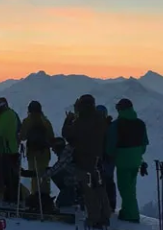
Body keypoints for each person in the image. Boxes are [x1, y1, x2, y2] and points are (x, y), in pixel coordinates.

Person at [61, 94, 111, 228]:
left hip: (84, 160)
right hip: (98, 159)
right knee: (100, 188)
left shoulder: (81, 121)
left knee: (89, 190)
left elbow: (66, 133)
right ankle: (105, 216)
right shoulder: (100, 119)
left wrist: (68, 120)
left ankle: (94, 219)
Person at [106, 99, 149, 223]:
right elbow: (144, 143)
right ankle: (126, 211)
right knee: (131, 187)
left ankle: (131, 215)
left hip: (123, 159)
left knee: (124, 188)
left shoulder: (116, 125)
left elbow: (111, 144)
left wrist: (110, 154)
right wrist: (138, 154)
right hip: (136, 159)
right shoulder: (140, 123)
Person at [20, 101, 57, 211]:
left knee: (34, 175)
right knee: (44, 175)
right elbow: (51, 138)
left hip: (32, 153)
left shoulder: (27, 121)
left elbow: (22, 137)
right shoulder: (45, 121)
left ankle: (35, 198)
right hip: (44, 153)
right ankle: (45, 198)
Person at [0, 97, 21, 203]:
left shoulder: (6, 116)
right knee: (11, 177)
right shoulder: (11, 114)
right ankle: (11, 198)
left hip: (7, 151)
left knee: (7, 177)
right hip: (11, 150)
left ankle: (10, 199)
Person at [96, 104, 117, 211]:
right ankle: (110, 204)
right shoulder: (110, 125)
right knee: (108, 180)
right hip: (109, 157)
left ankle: (103, 204)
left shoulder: (96, 126)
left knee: (101, 180)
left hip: (102, 157)